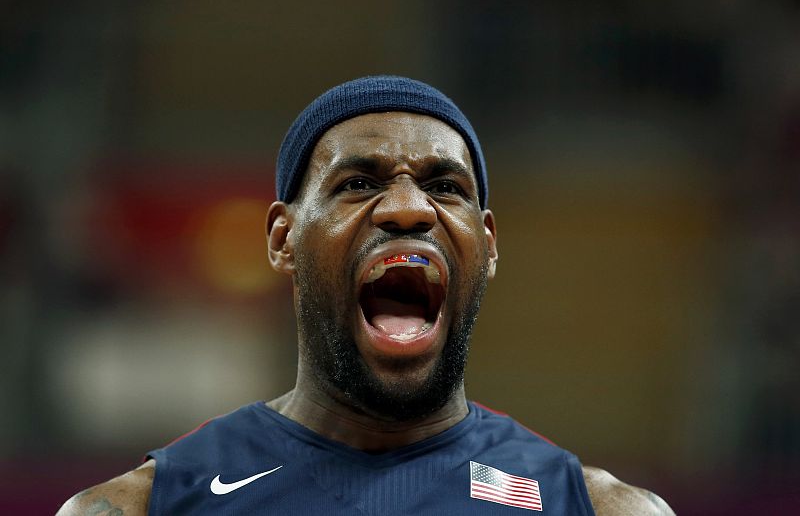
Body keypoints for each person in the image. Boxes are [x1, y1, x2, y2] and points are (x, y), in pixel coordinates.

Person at [58, 76, 674, 515]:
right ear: (283, 238)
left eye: (445, 186)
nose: (408, 208)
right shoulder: (144, 506)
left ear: (487, 246)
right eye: (357, 183)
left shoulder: (599, 509)